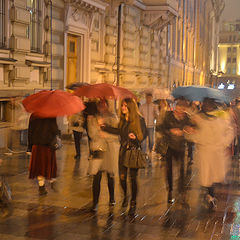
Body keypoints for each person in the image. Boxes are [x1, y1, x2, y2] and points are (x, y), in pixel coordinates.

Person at [184, 98, 234, 210]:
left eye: (209, 104)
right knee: (206, 176)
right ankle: (210, 195)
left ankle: (210, 195)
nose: (207, 106)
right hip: (205, 151)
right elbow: (195, 134)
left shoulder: (221, 116)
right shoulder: (199, 118)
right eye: (205, 104)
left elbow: (230, 131)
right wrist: (190, 133)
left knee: (213, 176)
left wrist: (224, 143)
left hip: (216, 151)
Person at [101, 98, 147, 215]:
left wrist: (135, 138)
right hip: (123, 152)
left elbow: (144, 135)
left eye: (125, 106)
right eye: (122, 106)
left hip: (133, 152)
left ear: (131, 107)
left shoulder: (139, 120)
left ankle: (133, 201)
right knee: (122, 178)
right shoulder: (123, 120)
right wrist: (104, 127)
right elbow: (119, 131)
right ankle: (126, 195)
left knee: (132, 178)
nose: (123, 108)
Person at [86, 101, 119, 211]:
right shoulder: (92, 119)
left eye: (104, 103)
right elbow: (92, 134)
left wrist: (106, 134)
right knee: (97, 177)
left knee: (110, 175)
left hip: (109, 150)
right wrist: (99, 129)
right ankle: (95, 202)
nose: (102, 106)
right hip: (98, 149)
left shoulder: (113, 118)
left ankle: (112, 198)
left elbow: (117, 134)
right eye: (99, 104)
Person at [160, 99, 193, 203]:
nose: (180, 111)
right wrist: (171, 131)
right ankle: (170, 190)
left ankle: (182, 191)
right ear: (175, 107)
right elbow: (161, 128)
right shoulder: (168, 115)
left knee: (181, 170)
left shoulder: (187, 118)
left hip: (181, 146)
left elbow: (191, 129)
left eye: (183, 109)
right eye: (179, 108)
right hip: (169, 146)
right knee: (169, 170)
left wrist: (186, 131)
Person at [28, 114, 60, 196]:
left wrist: (29, 147)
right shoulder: (51, 115)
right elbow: (55, 130)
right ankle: (52, 180)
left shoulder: (33, 116)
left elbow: (30, 131)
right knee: (48, 166)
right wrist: (58, 133)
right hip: (48, 146)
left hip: (36, 145)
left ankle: (41, 186)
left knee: (39, 167)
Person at [139, 93, 158, 164]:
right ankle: (144, 155)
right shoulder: (142, 106)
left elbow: (157, 116)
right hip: (143, 127)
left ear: (152, 98)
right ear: (146, 98)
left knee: (151, 141)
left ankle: (150, 151)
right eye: (147, 98)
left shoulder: (154, 106)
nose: (149, 99)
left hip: (151, 126)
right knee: (143, 142)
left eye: (150, 98)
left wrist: (155, 112)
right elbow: (139, 114)